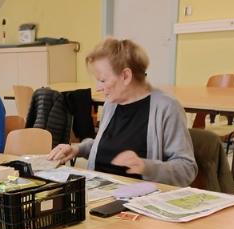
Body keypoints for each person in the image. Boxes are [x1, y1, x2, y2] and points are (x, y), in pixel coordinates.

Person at [49, 38, 196, 187]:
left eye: (103, 80)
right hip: (99, 192)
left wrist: (147, 167)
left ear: (126, 76)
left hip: (137, 199)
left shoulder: (166, 107)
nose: (98, 88)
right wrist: (77, 149)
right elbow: (107, 144)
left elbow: (187, 169)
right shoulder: (111, 104)